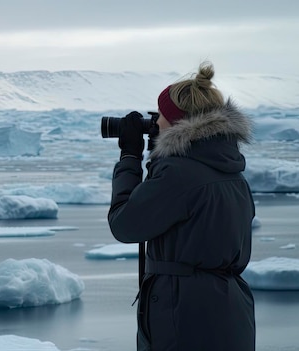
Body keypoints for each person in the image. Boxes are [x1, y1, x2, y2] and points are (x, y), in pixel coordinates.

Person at [107, 61, 256, 350]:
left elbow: (124, 225)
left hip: (184, 314)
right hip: (229, 310)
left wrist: (129, 158)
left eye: (160, 115)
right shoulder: (231, 171)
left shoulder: (180, 174)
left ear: (178, 123)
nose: (155, 123)